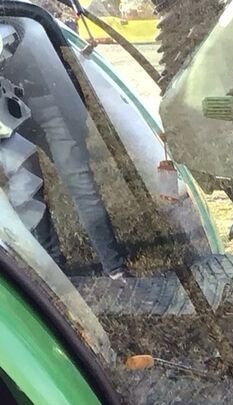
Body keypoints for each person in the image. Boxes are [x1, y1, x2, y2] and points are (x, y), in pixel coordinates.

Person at [1, 15, 129, 278]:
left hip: (45, 97)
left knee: (79, 182)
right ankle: (54, 273)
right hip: (6, 111)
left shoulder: (21, 16)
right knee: (24, 190)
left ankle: (114, 267)